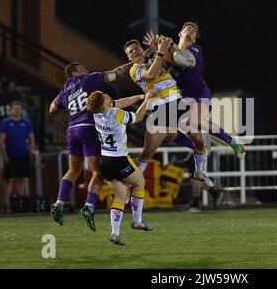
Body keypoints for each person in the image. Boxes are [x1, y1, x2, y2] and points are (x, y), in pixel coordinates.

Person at [49, 61, 133, 231]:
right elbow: (115, 73)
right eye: (82, 68)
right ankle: (89, 206)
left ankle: (58, 203)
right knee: (97, 172)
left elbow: (52, 109)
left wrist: (69, 105)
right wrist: (135, 62)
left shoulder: (65, 89)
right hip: (88, 127)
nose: (86, 69)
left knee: (73, 171)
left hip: (72, 130)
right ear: (74, 73)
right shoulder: (88, 79)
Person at [143, 22, 246, 159]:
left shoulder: (196, 49)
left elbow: (181, 60)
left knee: (196, 120)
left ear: (194, 39)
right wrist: (156, 49)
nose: (191, 30)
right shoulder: (169, 52)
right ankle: (200, 147)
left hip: (200, 94)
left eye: (194, 31)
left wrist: (165, 48)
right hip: (184, 97)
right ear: (180, 33)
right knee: (161, 126)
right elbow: (160, 66)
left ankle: (234, 142)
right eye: (188, 28)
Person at [124, 38, 213, 188]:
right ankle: (132, 184)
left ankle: (199, 172)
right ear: (128, 57)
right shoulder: (134, 70)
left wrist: (170, 47)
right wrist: (159, 51)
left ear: (141, 48)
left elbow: (175, 62)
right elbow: (151, 74)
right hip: (160, 110)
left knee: (199, 140)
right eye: (130, 52)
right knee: (147, 153)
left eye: (135, 48)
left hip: (177, 103)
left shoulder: (154, 56)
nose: (134, 52)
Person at [87, 89, 153, 246]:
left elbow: (120, 102)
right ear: (104, 104)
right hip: (119, 160)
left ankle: (115, 233)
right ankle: (137, 221)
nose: (107, 95)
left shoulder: (97, 113)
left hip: (105, 162)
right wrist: (147, 100)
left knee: (121, 196)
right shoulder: (116, 114)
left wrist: (139, 96)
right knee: (139, 183)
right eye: (104, 96)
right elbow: (137, 117)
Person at [0, 101, 35, 213]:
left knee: (22, 179)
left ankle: (21, 204)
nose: (17, 111)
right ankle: (6, 205)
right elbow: (1, 141)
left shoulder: (26, 123)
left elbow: (32, 139)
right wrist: (4, 155)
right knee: (10, 180)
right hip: (10, 156)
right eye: (15, 109)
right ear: (11, 110)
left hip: (23, 155)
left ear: (21, 110)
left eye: (19, 109)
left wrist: (30, 150)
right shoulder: (5, 123)